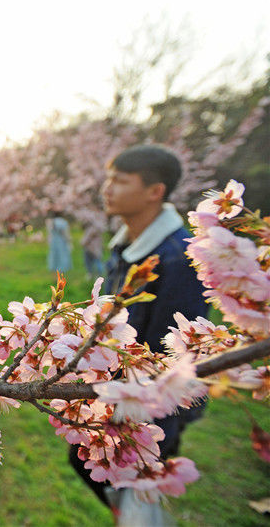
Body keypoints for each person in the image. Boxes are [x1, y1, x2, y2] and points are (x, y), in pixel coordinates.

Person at [69, 144, 209, 510]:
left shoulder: (178, 258)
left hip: (153, 402)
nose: (107, 188)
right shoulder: (128, 246)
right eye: (108, 178)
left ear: (154, 191)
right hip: (119, 388)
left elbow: (178, 350)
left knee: (136, 491)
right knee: (94, 467)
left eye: (120, 180)